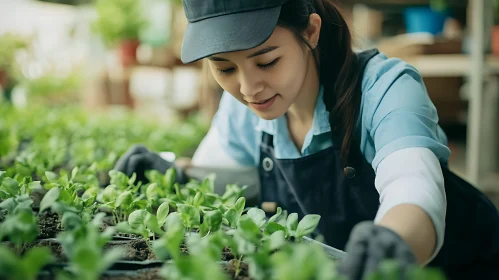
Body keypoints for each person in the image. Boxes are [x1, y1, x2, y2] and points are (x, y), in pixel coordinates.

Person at [113, 0, 499, 279]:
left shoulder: (385, 88)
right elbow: (228, 179)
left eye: (267, 61)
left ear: (310, 31)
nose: (249, 88)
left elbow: (414, 189)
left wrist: (393, 241)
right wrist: (175, 171)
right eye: (225, 67)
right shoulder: (243, 110)